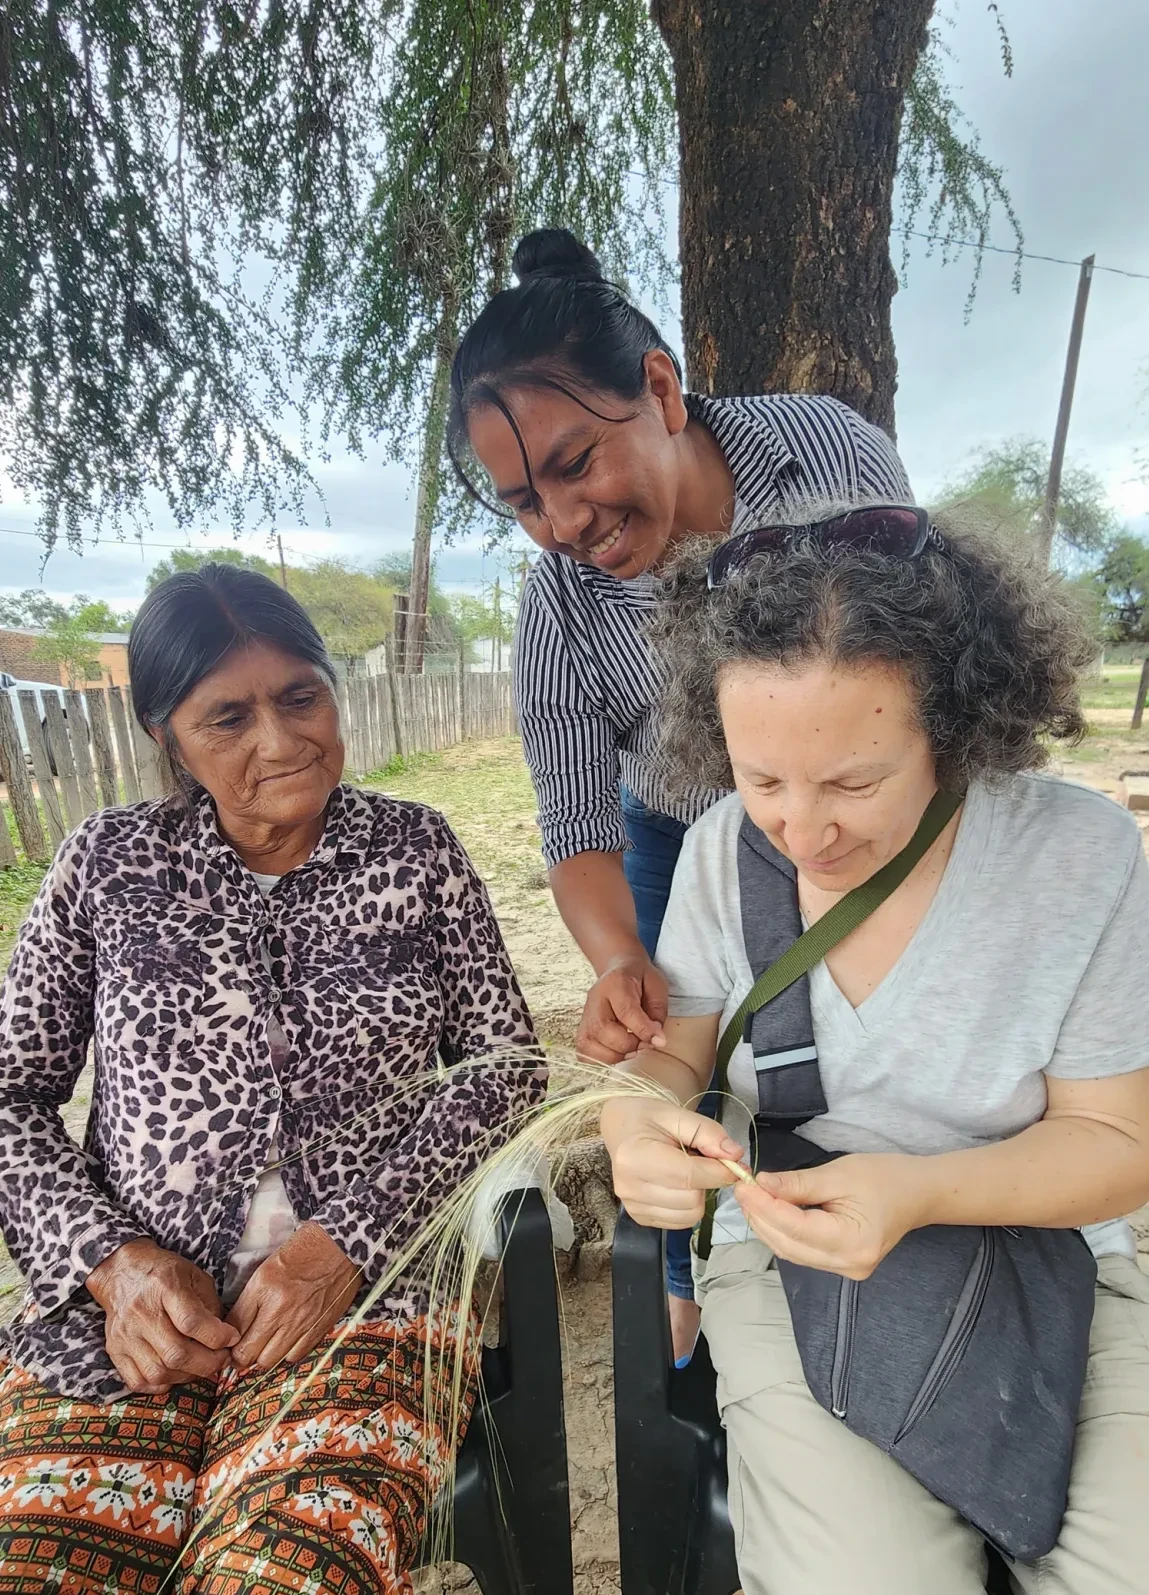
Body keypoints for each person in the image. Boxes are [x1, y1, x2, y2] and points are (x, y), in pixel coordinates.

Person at [600, 504, 1149, 1595]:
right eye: (761, 781)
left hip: (1056, 1260)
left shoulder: (1079, 856)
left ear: (956, 724)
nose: (802, 831)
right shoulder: (720, 853)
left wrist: (917, 1191)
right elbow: (675, 1052)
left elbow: (1116, 1142)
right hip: (792, 1259)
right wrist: (634, 1115)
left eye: (854, 782)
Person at [0, 564, 543, 1594]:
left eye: (302, 696)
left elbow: (504, 1069)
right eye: (228, 716)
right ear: (167, 734)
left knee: (283, 1575)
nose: (281, 740)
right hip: (126, 1331)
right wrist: (115, 1265)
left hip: (367, 1312)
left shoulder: (413, 850)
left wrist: (346, 1243)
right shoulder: (106, 865)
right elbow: (8, 1096)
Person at [447, 227, 912, 1359]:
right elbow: (576, 821)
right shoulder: (560, 602)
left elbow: (918, 660)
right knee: (681, 1080)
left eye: (573, 465)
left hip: (857, 816)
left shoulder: (828, 456)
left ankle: (892, 1240)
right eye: (521, 500)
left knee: (862, 1029)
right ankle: (689, 1328)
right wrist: (620, 959)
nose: (561, 524)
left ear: (659, 387)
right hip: (677, 829)